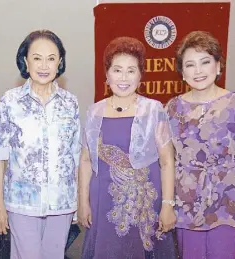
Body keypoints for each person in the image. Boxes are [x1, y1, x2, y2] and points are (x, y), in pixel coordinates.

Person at [166, 31, 235, 259]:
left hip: (229, 204)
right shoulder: (172, 108)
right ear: (182, 72)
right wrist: (167, 205)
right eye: (190, 65)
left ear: (218, 66)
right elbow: (166, 163)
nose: (198, 71)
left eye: (205, 62)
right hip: (186, 207)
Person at [79, 36, 177, 259]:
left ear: (140, 75)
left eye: (131, 71)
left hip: (145, 204)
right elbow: (85, 160)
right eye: (117, 70)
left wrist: (168, 205)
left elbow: (167, 161)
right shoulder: (94, 112)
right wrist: (83, 202)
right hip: (102, 203)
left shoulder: (154, 110)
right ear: (107, 74)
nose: (123, 78)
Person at [0, 30, 81, 259]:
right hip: (22, 204)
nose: (44, 65)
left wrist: (78, 200)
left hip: (62, 203)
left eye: (51, 58)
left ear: (60, 62)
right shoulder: (10, 101)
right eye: (37, 57)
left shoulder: (70, 103)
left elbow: (76, 154)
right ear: (25, 61)